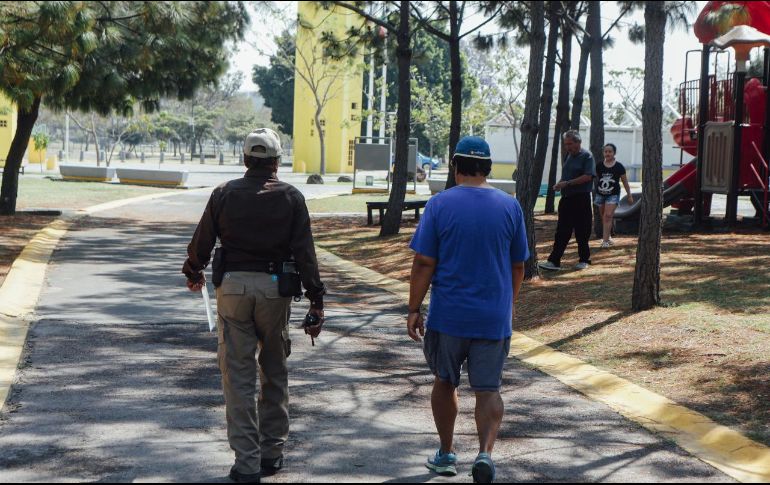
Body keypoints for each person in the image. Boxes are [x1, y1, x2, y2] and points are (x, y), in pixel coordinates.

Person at [182, 128, 326, 484]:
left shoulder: (223, 194)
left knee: (239, 378)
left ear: (245, 160)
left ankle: (246, 464)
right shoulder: (292, 197)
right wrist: (316, 300)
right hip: (276, 291)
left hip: (232, 289)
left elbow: (201, 242)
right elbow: (306, 254)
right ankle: (271, 453)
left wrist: (193, 270)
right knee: (274, 371)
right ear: (277, 162)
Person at [407, 136, 528, 484]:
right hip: (492, 318)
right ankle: (485, 454)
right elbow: (518, 266)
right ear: (487, 167)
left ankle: (446, 454)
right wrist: (506, 304)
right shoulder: (510, 207)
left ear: (455, 165)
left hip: (449, 316)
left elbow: (424, 262)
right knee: (488, 389)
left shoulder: (440, 205)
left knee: (445, 382)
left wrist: (414, 308)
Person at [538, 130, 596, 271]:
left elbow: (588, 176)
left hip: (581, 198)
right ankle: (554, 261)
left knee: (582, 230)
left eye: (570, 144)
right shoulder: (568, 156)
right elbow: (566, 176)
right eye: (566, 144)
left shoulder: (587, 156)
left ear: (578, 142)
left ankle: (584, 260)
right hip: (566, 199)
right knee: (562, 231)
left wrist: (568, 183)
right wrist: (560, 184)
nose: (568, 147)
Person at [595, 143, 633, 248]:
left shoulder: (619, 166)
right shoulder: (599, 166)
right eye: (605, 151)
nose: (607, 153)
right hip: (600, 194)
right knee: (604, 216)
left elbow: (625, 182)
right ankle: (608, 236)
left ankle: (605, 241)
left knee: (607, 216)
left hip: (613, 195)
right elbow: (597, 179)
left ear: (614, 153)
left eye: (610, 151)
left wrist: (629, 195)